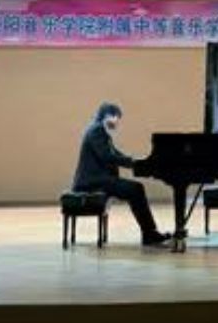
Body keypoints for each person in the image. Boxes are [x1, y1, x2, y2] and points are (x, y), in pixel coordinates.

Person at [72, 102, 170, 246]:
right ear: (107, 115)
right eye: (116, 117)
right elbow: (107, 156)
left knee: (135, 189)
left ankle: (149, 233)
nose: (117, 122)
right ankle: (149, 234)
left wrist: (135, 162)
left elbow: (114, 153)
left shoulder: (98, 130)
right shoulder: (97, 130)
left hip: (98, 180)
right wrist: (132, 163)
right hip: (93, 182)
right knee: (136, 189)